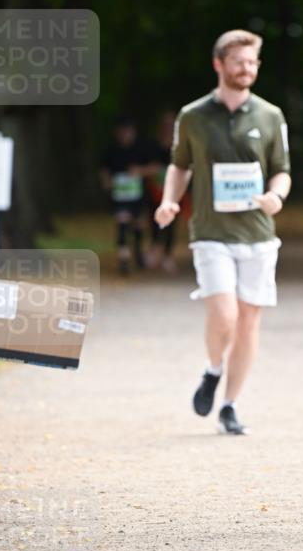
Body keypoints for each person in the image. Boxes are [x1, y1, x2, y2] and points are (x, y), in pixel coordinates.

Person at [154, 29, 291, 436]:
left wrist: (275, 197)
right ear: (219, 64)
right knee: (225, 314)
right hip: (211, 232)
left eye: (252, 62)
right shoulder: (192, 116)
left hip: (258, 235)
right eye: (239, 62)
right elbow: (180, 165)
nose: (247, 69)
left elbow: (282, 169)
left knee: (249, 321)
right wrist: (169, 200)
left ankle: (229, 404)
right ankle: (213, 369)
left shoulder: (270, 115)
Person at [100, 117, 160, 275]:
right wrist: (107, 182)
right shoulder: (111, 150)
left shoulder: (142, 148)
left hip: (138, 196)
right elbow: (104, 169)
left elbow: (155, 167)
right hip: (120, 196)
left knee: (139, 225)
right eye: (121, 132)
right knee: (122, 223)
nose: (124, 135)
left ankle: (138, 252)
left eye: (127, 131)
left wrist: (140, 171)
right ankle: (123, 259)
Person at [145, 111, 180, 273]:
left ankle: (167, 254)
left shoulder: (179, 146)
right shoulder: (153, 145)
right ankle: (155, 249)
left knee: (172, 222)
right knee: (154, 220)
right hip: (156, 190)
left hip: (175, 192)